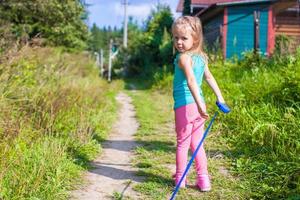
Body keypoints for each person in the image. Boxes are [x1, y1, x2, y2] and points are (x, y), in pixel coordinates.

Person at [172, 16, 227, 191]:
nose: (179, 42)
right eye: (175, 38)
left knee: (183, 143)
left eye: (184, 38)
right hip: (198, 105)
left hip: (186, 106)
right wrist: (220, 98)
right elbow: (209, 77)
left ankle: (181, 178)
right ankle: (204, 180)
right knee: (197, 144)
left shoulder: (183, 58)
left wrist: (200, 104)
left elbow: (191, 81)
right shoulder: (202, 57)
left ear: (195, 38)